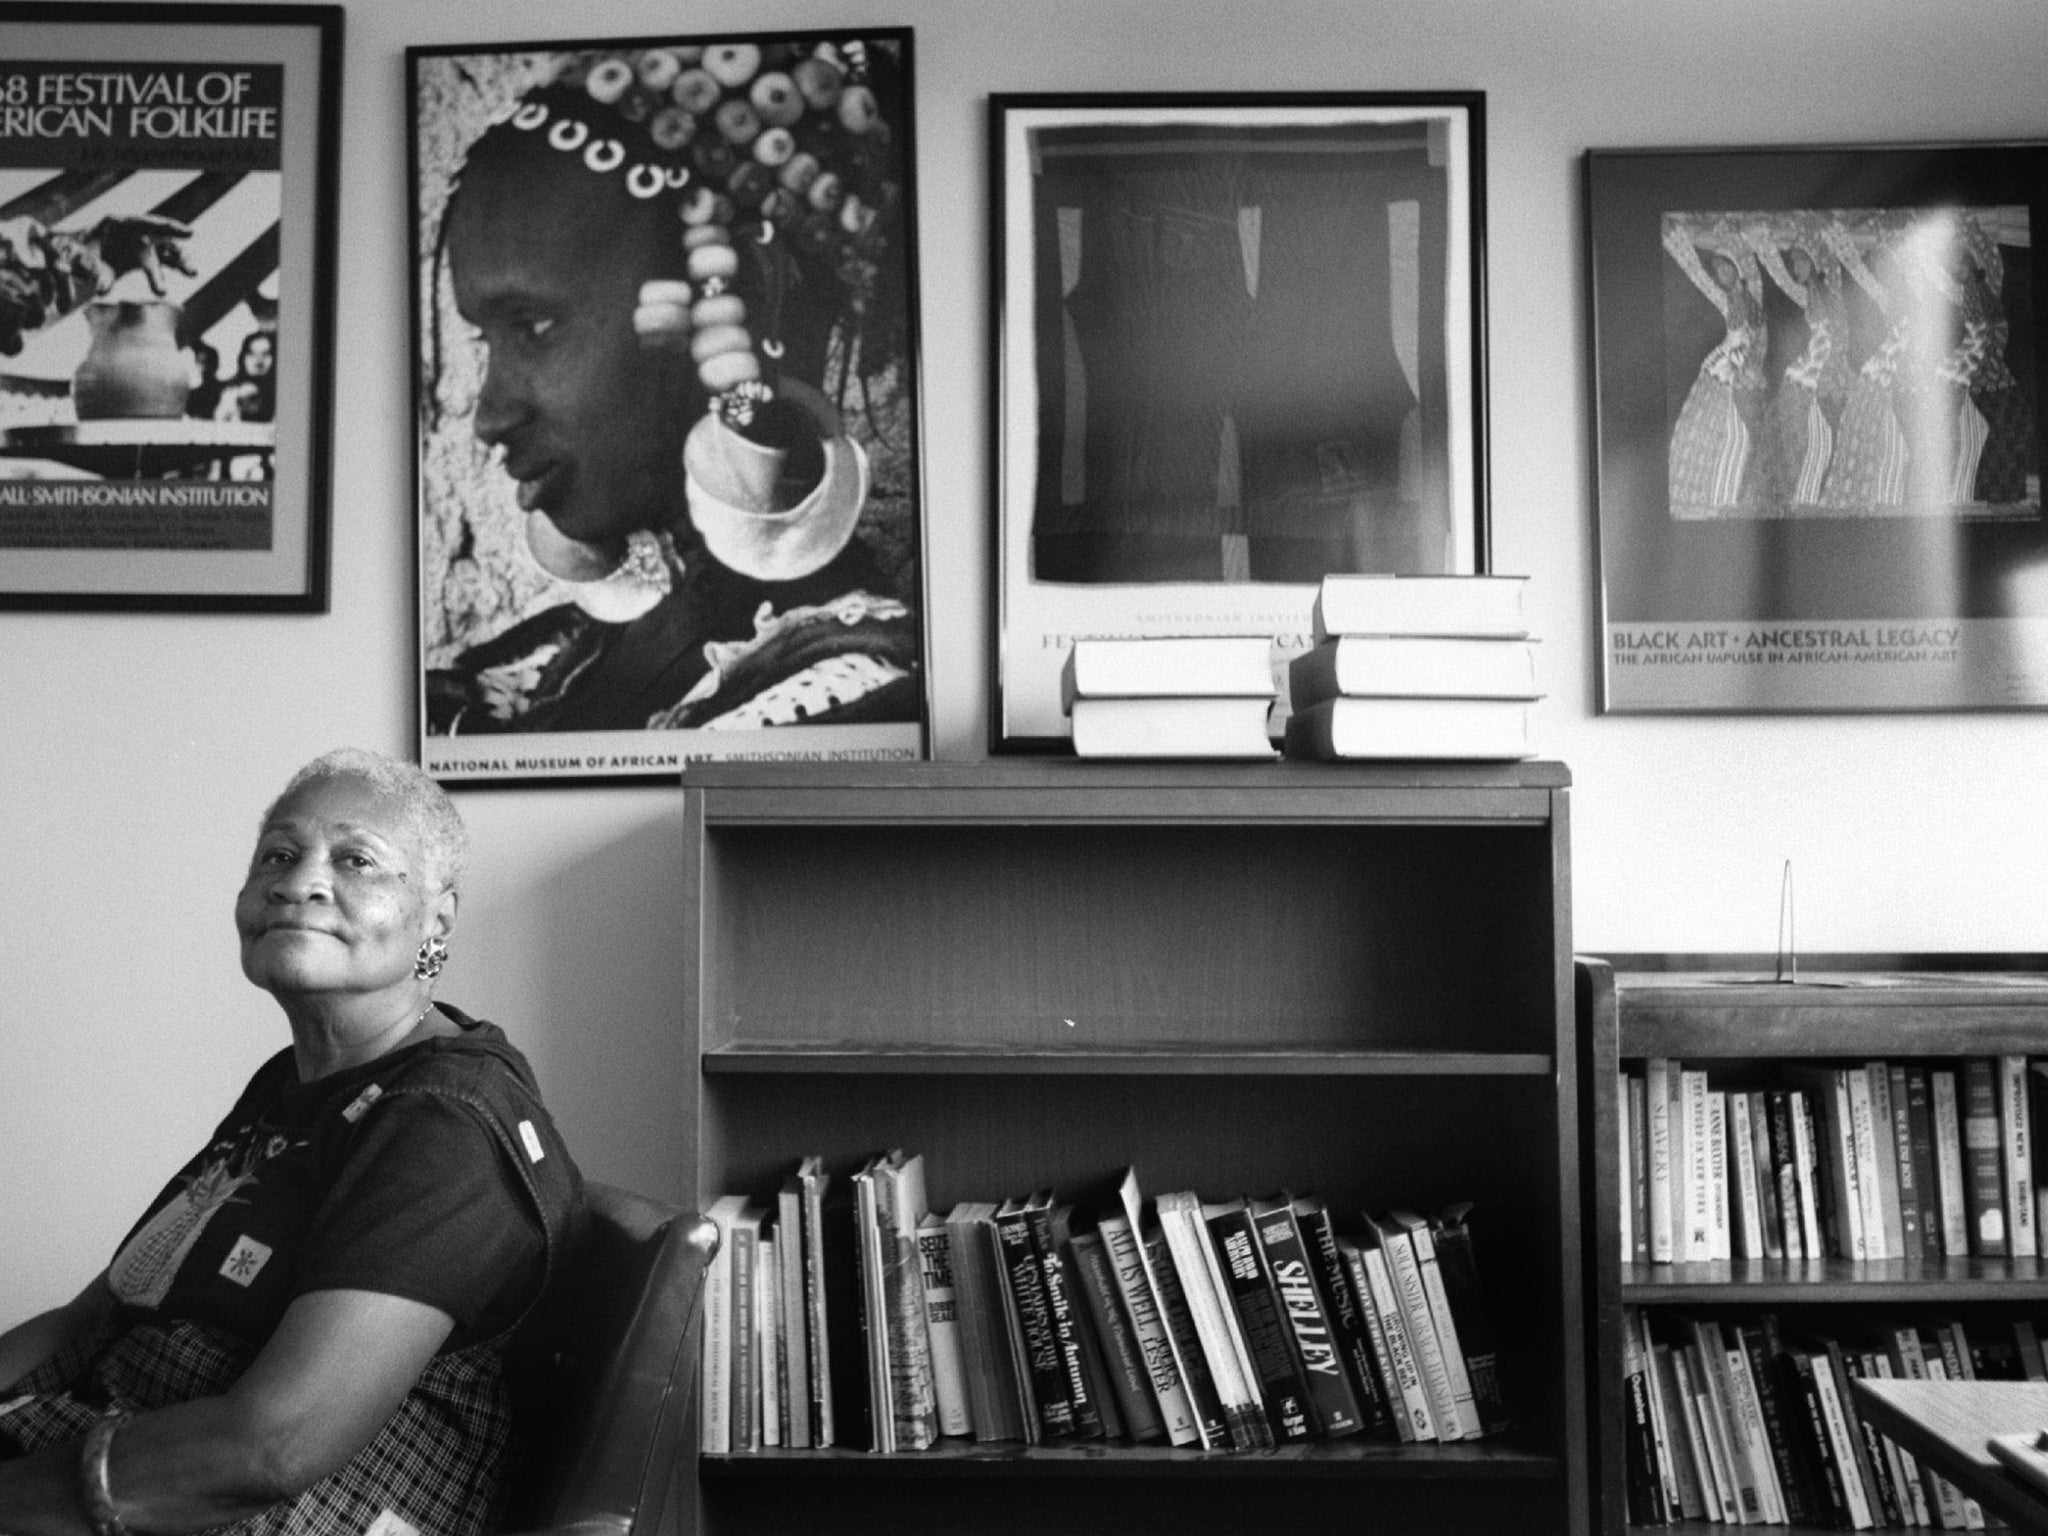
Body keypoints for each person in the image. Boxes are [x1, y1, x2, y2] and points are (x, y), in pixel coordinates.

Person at [0, 748, 583, 1536]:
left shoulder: (444, 1121)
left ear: (437, 918)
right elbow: (93, 1314)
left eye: (356, 860)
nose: (298, 881)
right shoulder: (290, 1087)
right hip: (114, 1447)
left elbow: (271, 1450)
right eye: (278, 854)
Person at [422, 42, 922, 735]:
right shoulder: (523, 677)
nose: (490, 415)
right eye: (486, 341)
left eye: (534, 326)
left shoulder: (848, 704)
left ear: (747, 290)